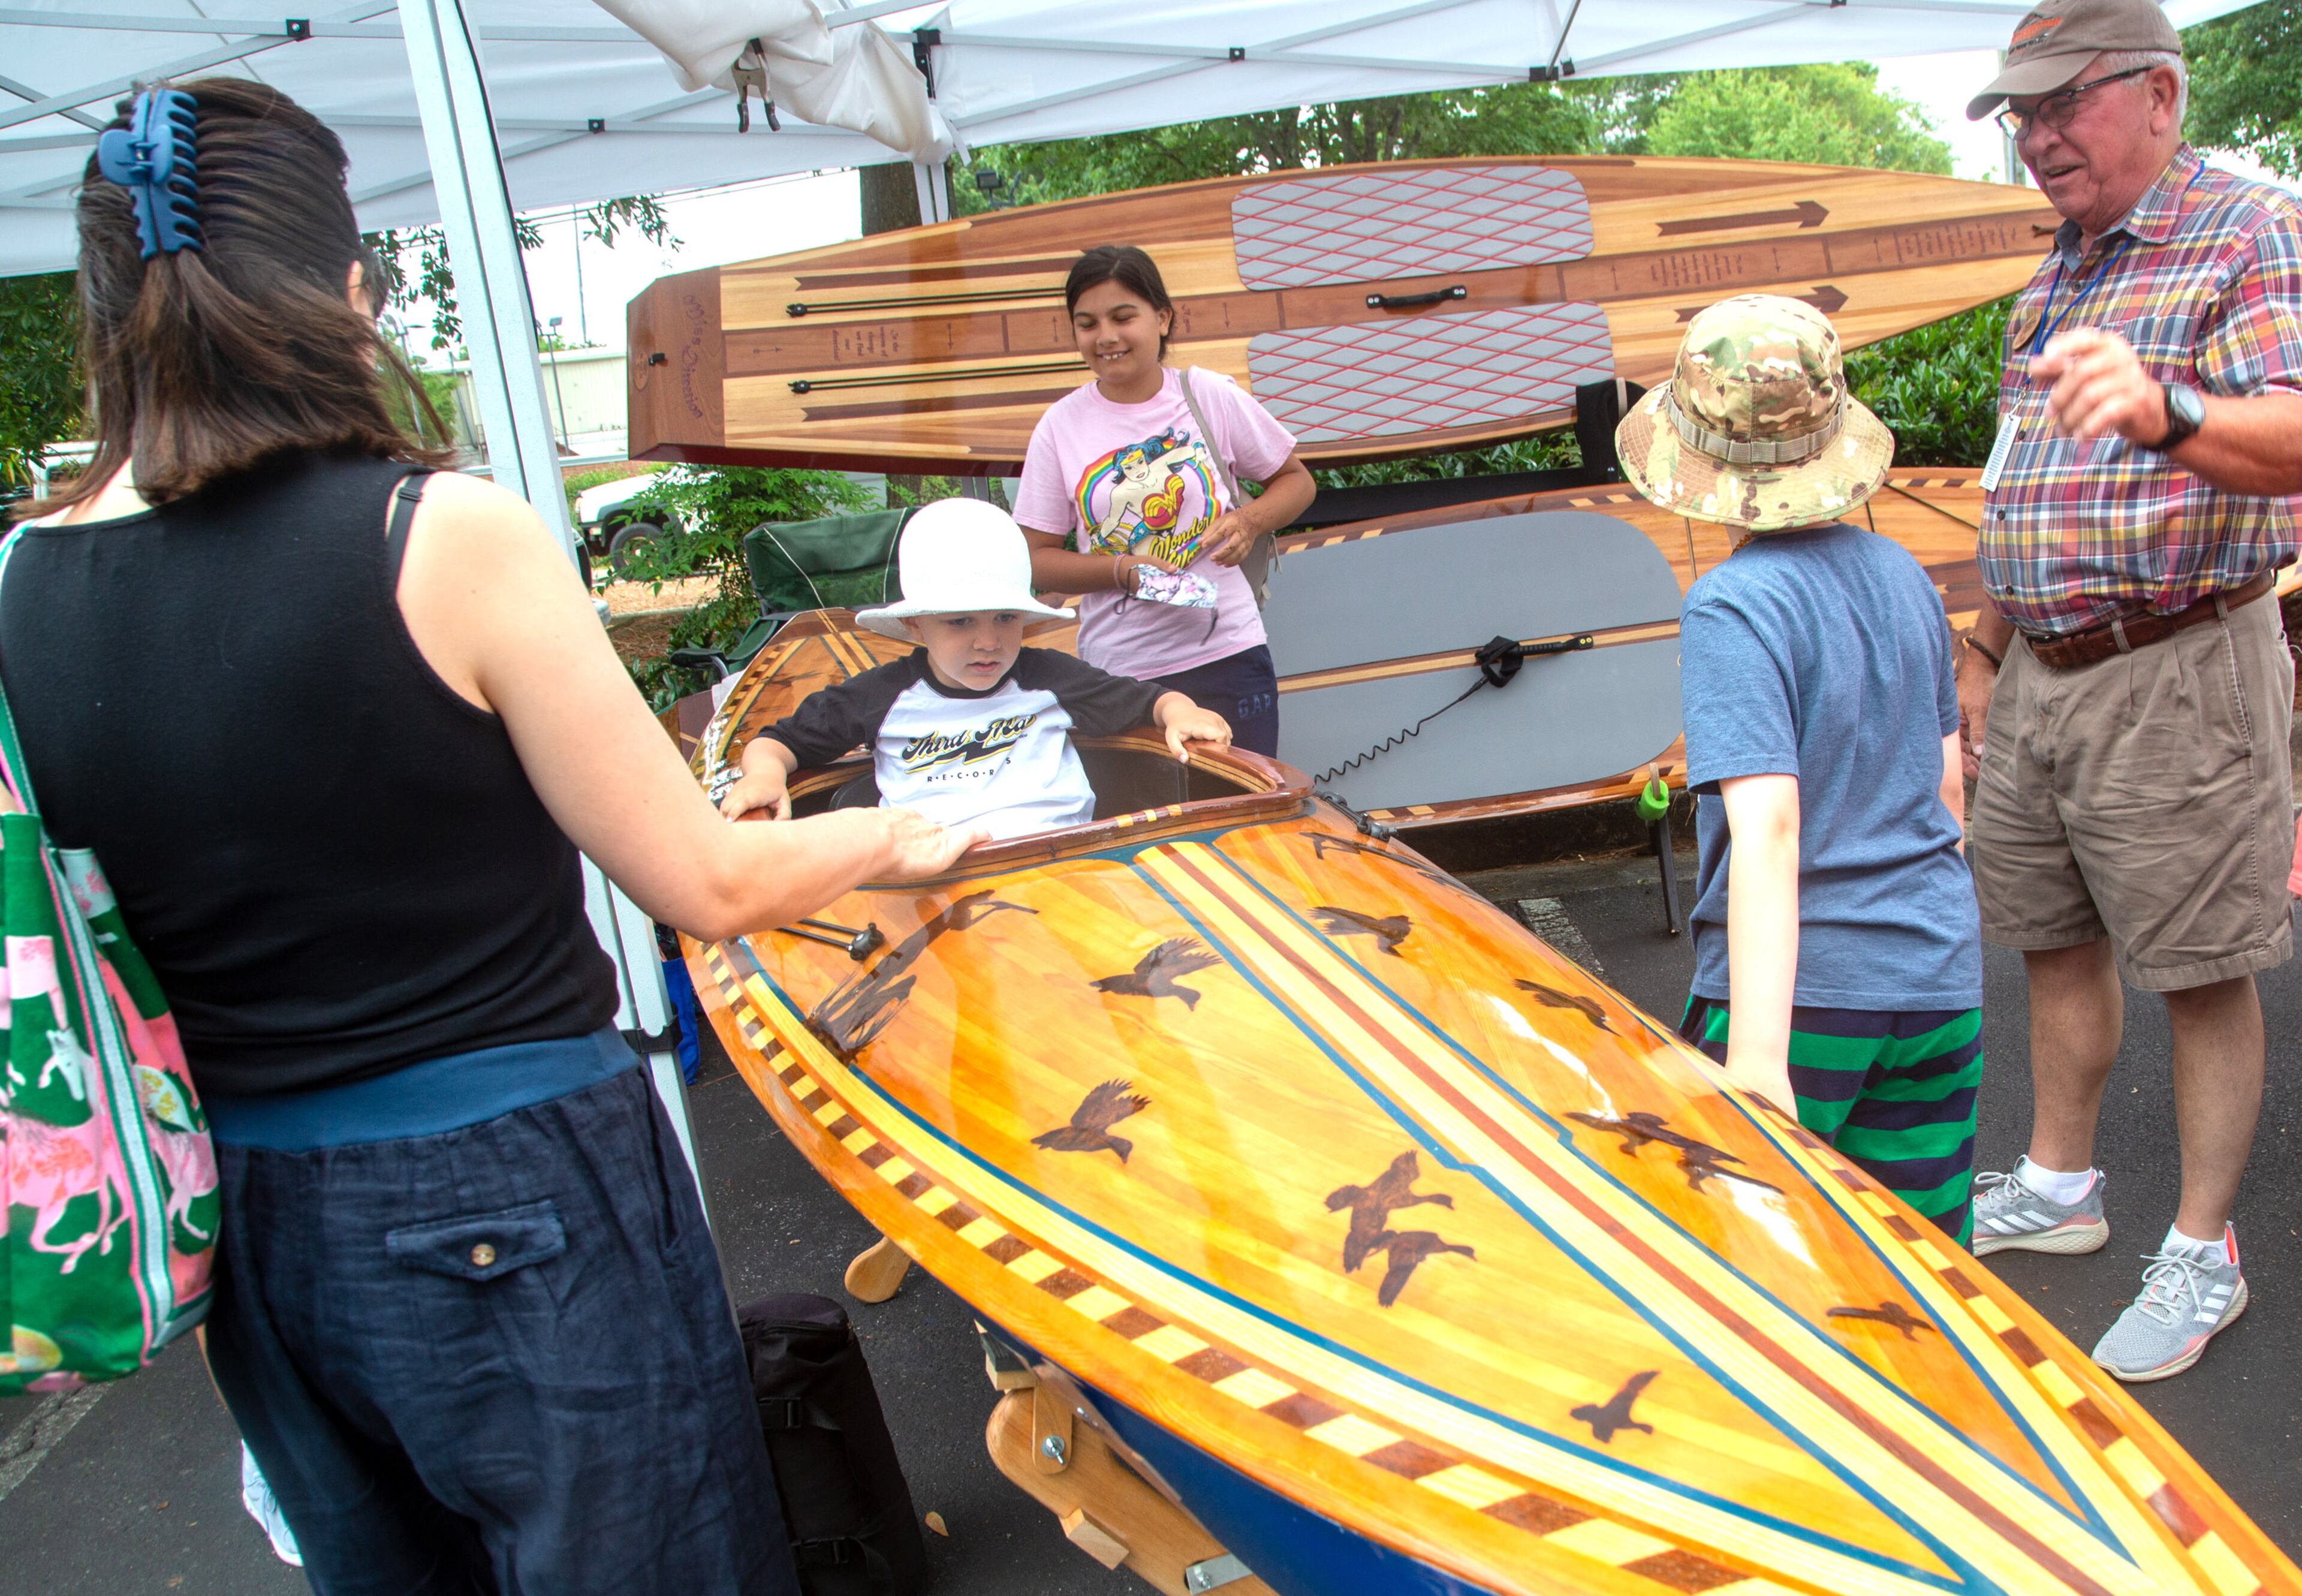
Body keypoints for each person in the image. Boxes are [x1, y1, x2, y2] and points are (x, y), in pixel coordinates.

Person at [8, 79, 979, 1595]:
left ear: (105, 307)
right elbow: (701, 881)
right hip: (516, 1197)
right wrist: (894, 835)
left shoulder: (21, 581)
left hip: (248, 1216)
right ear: (345, 293)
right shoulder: (442, 534)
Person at [1958, 0, 2302, 1381]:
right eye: (2020, 115)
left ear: (2158, 94)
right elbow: (2017, 477)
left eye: (2063, 104)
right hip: (2042, 671)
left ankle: (2202, 1247)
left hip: (2175, 666)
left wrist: (2168, 408)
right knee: (2048, 933)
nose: (2037, 137)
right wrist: (1985, 652)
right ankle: (2059, 1184)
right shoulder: (2060, 268)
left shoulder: (2243, 231)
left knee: (2200, 967)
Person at [1616, 294, 1986, 1245]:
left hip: (1804, 1000)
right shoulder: (1904, 573)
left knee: (1752, 1271)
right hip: (1938, 977)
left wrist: (1757, 1057)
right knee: (1920, 1270)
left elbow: (1770, 827)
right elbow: (1948, 786)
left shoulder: (1732, 606)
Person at [718, 499, 1231, 834]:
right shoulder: (881, 695)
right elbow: (778, 742)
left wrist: (1181, 710)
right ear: (917, 626)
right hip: (932, 875)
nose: (987, 642)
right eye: (960, 622)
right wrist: (763, 776)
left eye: (1005, 618)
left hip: (1070, 858)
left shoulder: (1048, 677)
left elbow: (1148, 699)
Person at [1013, 244, 1317, 757]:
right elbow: (1035, 560)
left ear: (1162, 317)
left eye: (1123, 317)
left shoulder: (1208, 395)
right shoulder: (1059, 427)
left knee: (1245, 820)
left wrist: (1248, 521)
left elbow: (1297, 482)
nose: (1105, 337)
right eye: (1087, 324)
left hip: (1230, 656)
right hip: (1121, 675)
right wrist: (1124, 571)